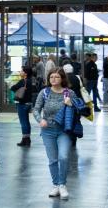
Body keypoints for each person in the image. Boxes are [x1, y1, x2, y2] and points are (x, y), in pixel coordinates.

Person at [33, 68, 76, 200]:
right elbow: (36, 109)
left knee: (63, 157)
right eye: (51, 77)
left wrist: (71, 104)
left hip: (64, 130)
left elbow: (79, 110)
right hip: (48, 131)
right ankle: (56, 184)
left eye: (57, 77)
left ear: (62, 78)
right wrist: (40, 120)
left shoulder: (69, 93)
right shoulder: (44, 92)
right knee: (53, 159)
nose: (53, 79)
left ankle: (62, 184)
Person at [11, 66, 35, 147]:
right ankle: (27, 139)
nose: (20, 72)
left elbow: (13, 88)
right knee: (27, 122)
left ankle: (25, 140)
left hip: (22, 103)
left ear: (25, 73)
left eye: (21, 71)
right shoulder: (30, 81)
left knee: (23, 122)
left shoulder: (23, 81)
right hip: (28, 103)